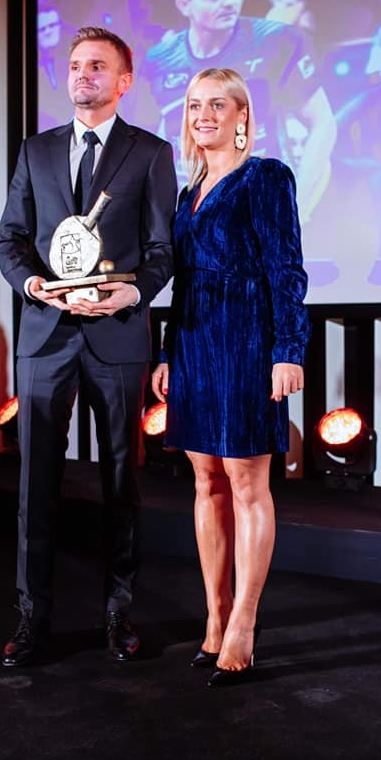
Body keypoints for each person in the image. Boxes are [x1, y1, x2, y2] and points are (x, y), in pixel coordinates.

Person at [0, 26, 177, 667]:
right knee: (34, 485)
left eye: (97, 66)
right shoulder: (36, 150)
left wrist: (133, 293)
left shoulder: (150, 153)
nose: (82, 75)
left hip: (116, 335)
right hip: (45, 336)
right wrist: (33, 285)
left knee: (121, 482)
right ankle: (31, 618)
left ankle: (118, 614)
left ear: (124, 81)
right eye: (75, 65)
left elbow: (162, 250)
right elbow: (9, 240)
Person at [151, 67, 310, 687]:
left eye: (218, 105)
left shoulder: (266, 176)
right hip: (194, 344)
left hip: (248, 342)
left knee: (247, 484)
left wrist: (288, 349)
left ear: (243, 115)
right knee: (205, 482)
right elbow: (183, 281)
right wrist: (168, 353)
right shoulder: (188, 190)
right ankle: (214, 618)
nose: (204, 116)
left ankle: (244, 621)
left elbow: (287, 269)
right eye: (195, 105)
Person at [140, 0, 336, 222]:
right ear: (185, 5)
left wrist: (297, 211)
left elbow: (323, 123)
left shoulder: (276, 41)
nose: (230, 1)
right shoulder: (159, 60)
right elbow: (149, 148)